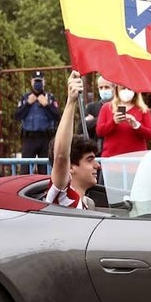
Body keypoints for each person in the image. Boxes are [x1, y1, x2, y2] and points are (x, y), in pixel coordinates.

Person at [45, 71, 101, 209]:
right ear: (70, 167)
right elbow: (61, 156)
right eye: (89, 159)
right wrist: (71, 101)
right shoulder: (63, 196)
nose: (97, 165)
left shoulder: (87, 204)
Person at [96, 83, 151, 157]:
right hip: (111, 157)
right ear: (117, 89)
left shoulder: (143, 110)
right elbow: (99, 131)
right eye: (123, 88)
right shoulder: (107, 107)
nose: (126, 91)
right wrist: (113, 122)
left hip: (136, 158)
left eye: (129, 89)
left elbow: (150, 135)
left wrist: (136, 125)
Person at [14, 70, 61, 162]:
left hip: (45, 138)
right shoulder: (25, 98)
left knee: (45, 169)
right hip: (29, 139)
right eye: (36, 81)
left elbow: (57, 117)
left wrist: (46, 105)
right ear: (31, 81)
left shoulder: (50, 98)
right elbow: (17, 116)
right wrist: (28, 104)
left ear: (44, 82)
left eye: (40, 81)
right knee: (26, 170)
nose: (38, 83)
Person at [84, 75, 115, 153]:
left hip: (114, 149)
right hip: (97, 150)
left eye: (107, 87)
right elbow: (82, 127)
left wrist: (93, 121)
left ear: (114, 88)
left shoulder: (120, 106)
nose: (103, 90)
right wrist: (101, 120)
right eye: (101, 88)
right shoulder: (91, 107)